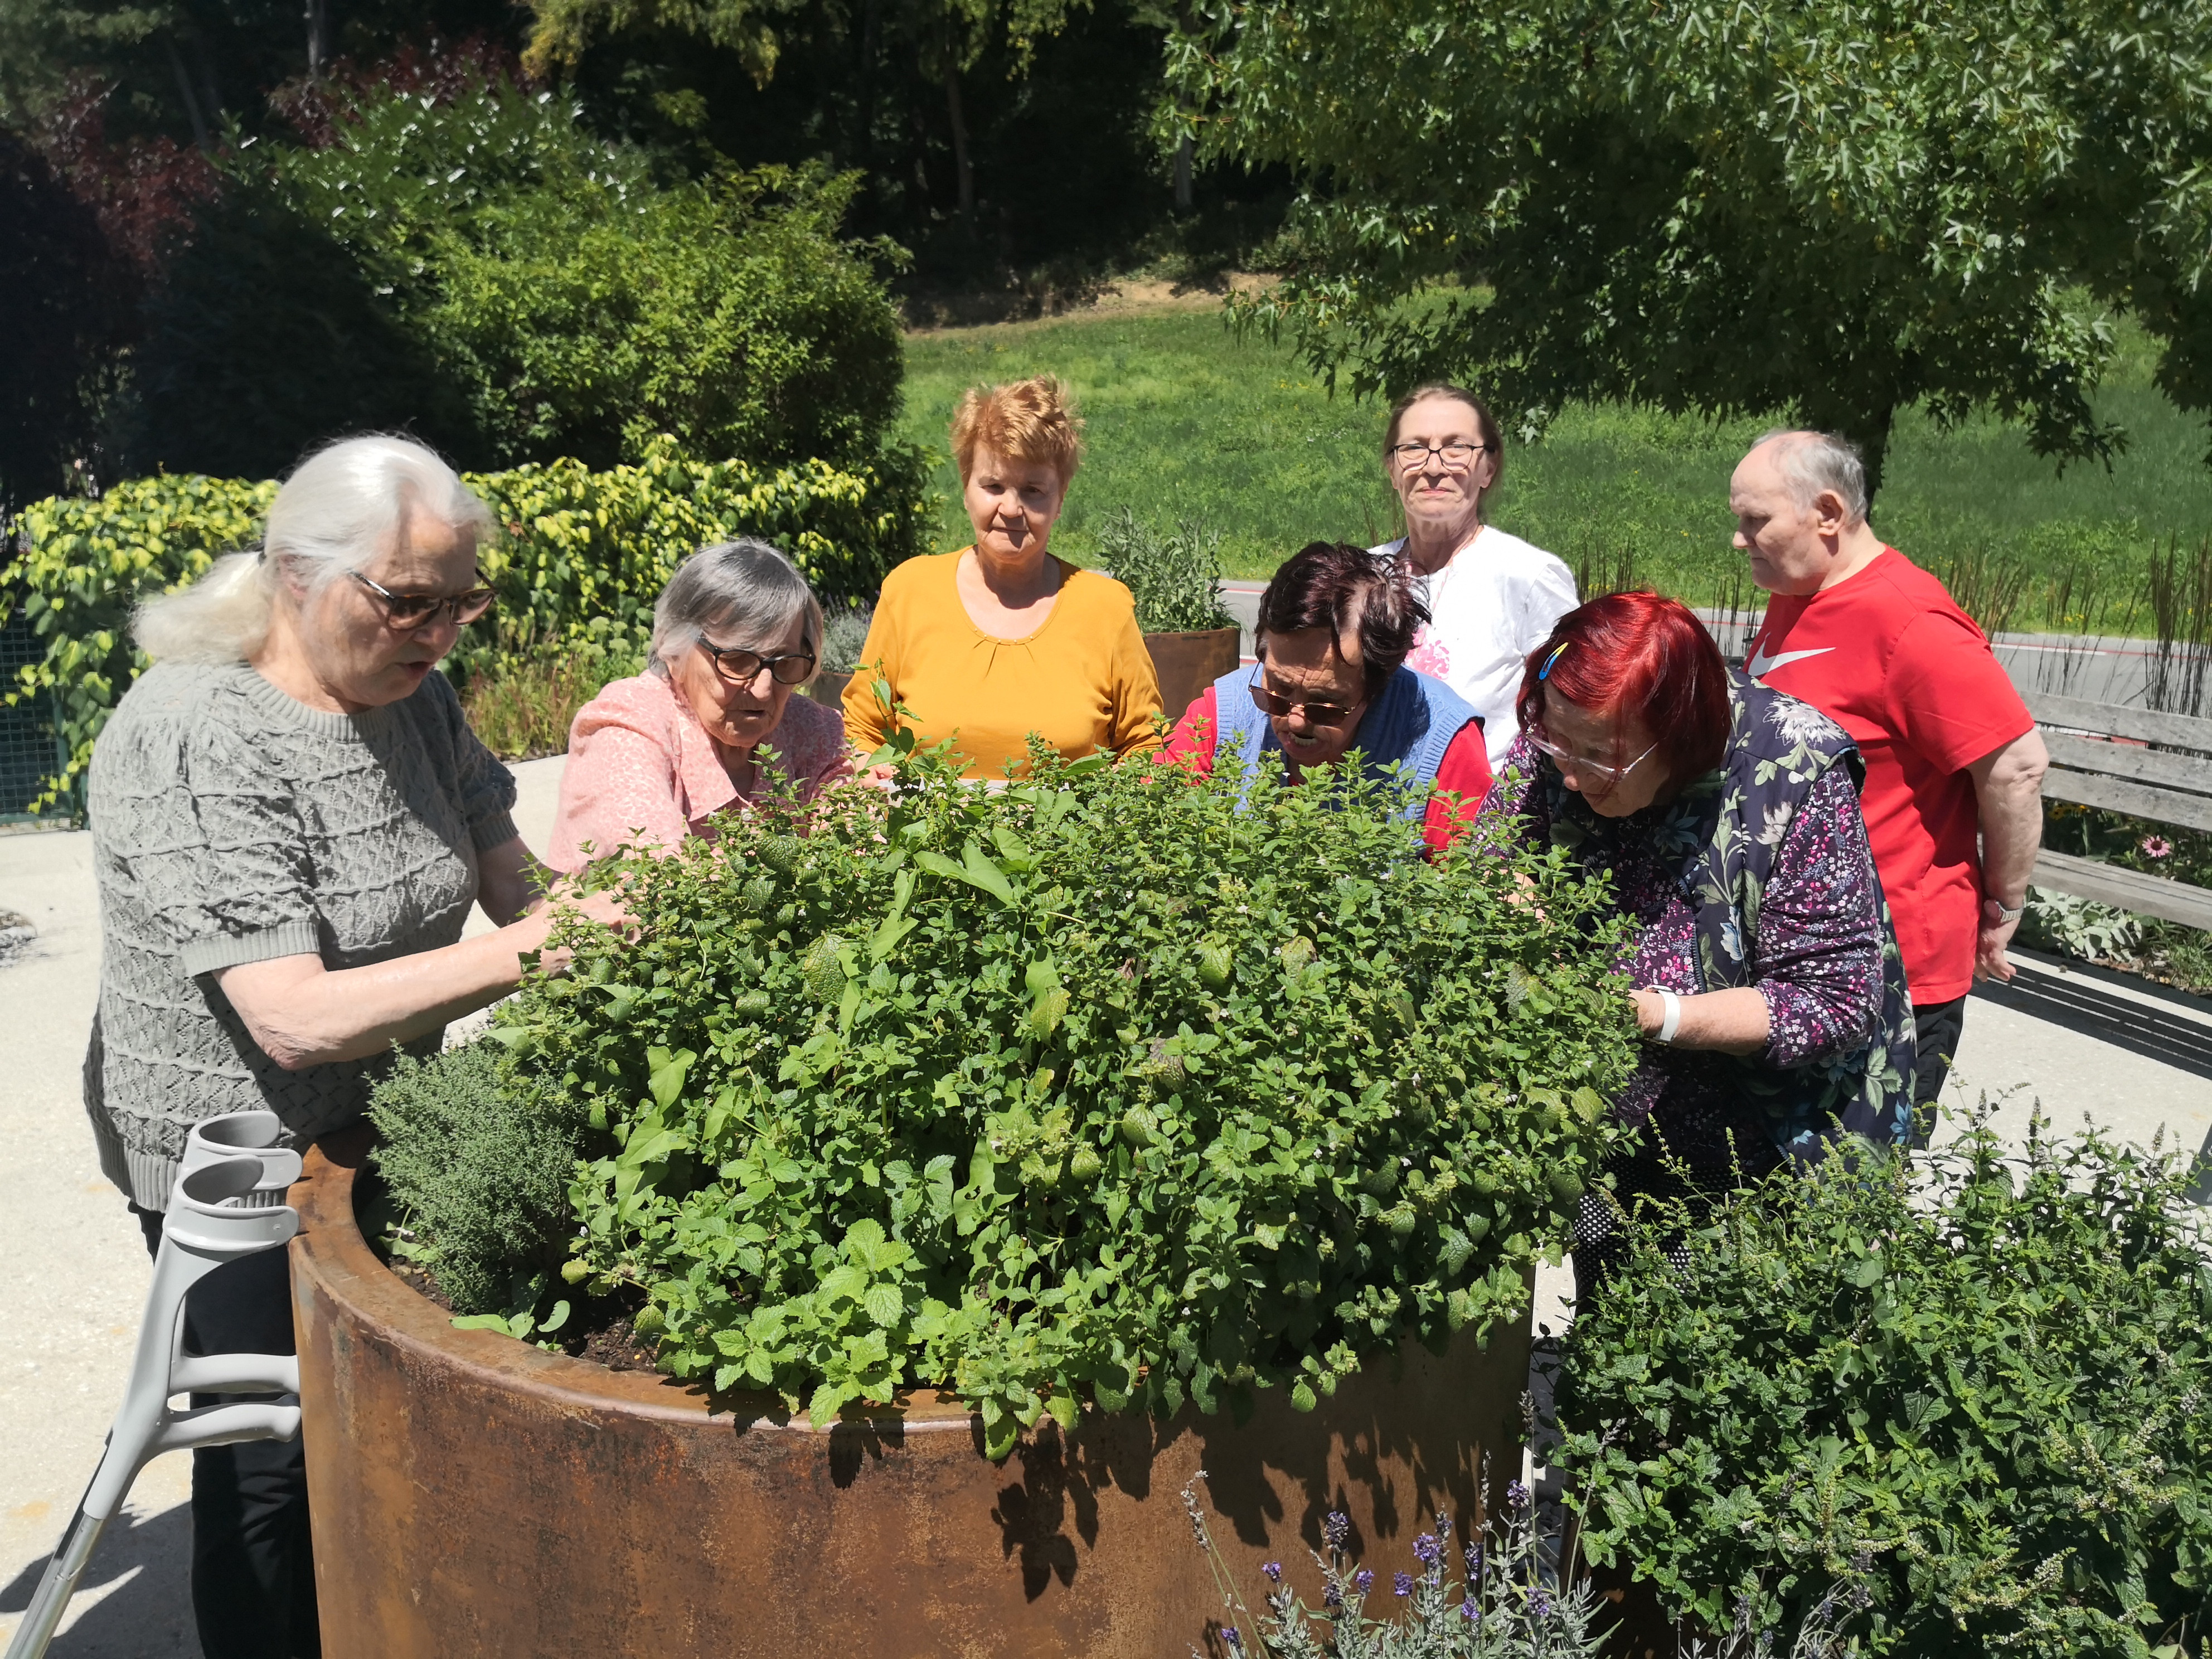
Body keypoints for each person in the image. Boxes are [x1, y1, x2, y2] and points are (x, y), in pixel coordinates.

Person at [83, 435, 623, 1659]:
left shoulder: (418, 698)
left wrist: (618, 941)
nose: (438, 634)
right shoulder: (196, 729)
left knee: (376, 1423)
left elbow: (513, 884)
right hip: (229, 1151)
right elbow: (292, 1014)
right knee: (269, 1460)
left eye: (461, 603)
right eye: (408, 601)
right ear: (292, 573)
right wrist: (553, 950)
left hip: (380, 1120)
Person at [1474, 593, 1916, 1297]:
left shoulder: (1796, 773)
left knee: (1726, 1354)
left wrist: (1653, 1015)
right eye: (1555, 743)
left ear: (1676, 737)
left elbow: (1832, 1002)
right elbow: (1495, 857)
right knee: (1610, 1329)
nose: (1569, 775)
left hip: (1765, 1142)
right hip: (1615, 1121)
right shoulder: (1575, 733)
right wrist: (1530, 934)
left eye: (1599, 758)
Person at [1730, 429, 2048, 1143]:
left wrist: (2004, 899)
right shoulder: (1799, 591)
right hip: (1801, 954)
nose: (1738, 539)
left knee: (1843, 1203)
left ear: (1828, 514)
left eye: (1755, 521)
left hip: (1889, 969)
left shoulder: (1909, 622)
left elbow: (2016, 764)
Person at [842, 376, 1163, 778]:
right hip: (924, 838)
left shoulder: (1106, 608)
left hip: (1067, 839)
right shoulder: (909, 592)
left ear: (1060, 498)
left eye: (1033, 490)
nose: (1011, 508)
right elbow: (861, 729)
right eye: (993, 486)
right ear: (965, 490)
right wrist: (869, 774)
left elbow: (1145, 745)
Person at [1164, 541, 1491, 852]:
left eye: (1325, 704)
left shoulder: (1447, 745)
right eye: (1277, 691)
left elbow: (1471, 885)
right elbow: (1155, 821)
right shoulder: (1219, 714)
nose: (1295, 720)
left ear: (1379, 686)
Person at [547, 540, 853, 871]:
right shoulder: (627, 725)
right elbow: (657, 887)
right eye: (736, 660)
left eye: (785, 662)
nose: (765, 691)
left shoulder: (815, 731)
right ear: (673, 650)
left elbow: (854, 859)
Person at [1370, 384, 1579, 769]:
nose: (1434, 467)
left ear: (1488, 468)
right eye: (1414, 448)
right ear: (1392, 469)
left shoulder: (1528, 578)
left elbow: (1570, 712)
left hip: (1478, 815)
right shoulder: (1363, 574)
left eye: (1457, 448)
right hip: (1367, 808)